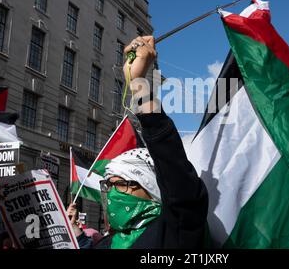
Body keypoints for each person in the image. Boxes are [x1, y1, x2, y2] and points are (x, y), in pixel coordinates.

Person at [70, 36, 209, 249]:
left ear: (150, 188)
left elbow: (175, 171)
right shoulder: (106, 243)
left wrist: (138, 84)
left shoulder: (174, 232)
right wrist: (78, 236)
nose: (112, 194)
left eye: (121, 184)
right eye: (108, 185)